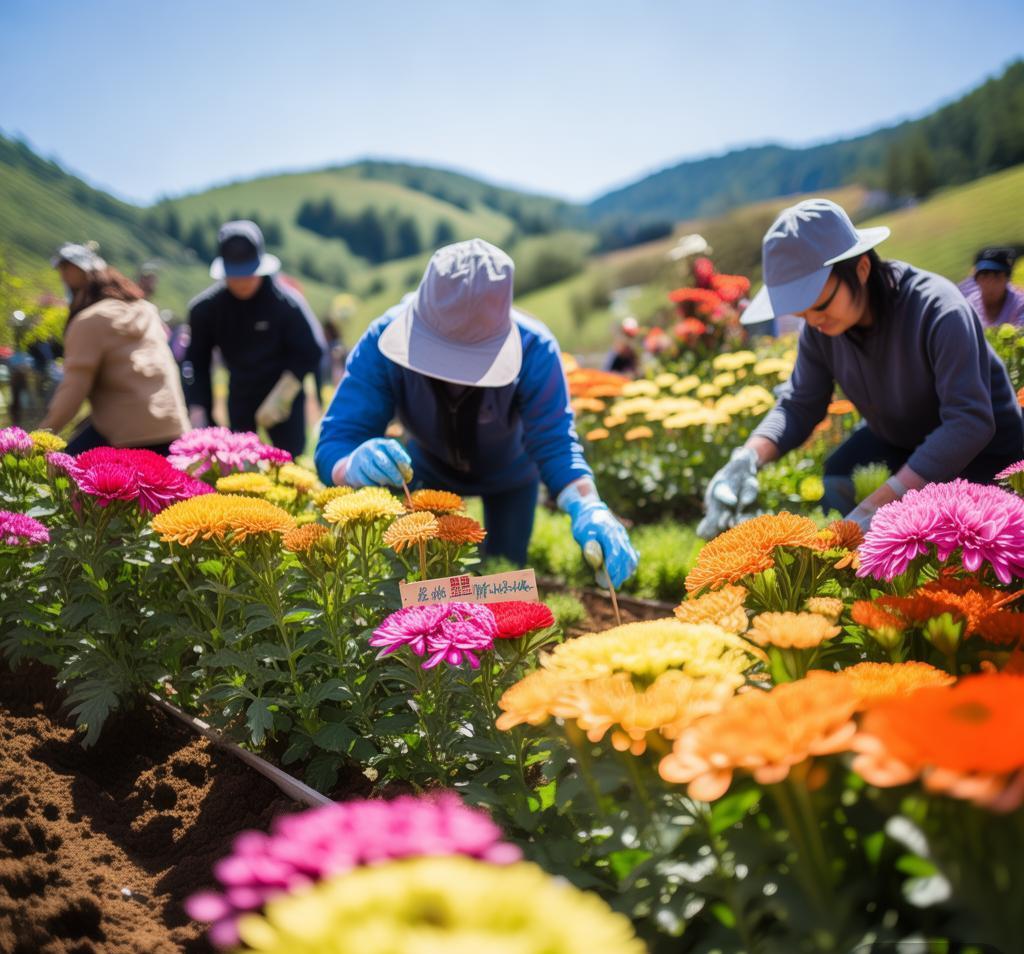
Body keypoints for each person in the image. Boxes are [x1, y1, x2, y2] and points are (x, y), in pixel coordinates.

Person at [315, 238, 638, 583]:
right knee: (426, 585)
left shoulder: (535, 349)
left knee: (503, 579)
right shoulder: (382, 342)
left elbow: (555, 443)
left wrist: (588, 506)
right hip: (423, 471)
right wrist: (351, 465)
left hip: (511, 477)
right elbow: (336, 442)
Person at [703, 199, 1024, 537]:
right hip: (906, 441)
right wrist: (746, 459)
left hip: (988, 455)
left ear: (861, 269)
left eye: (821, 305)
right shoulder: (821, 329)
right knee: (839, 475)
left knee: (955, 544)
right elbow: (800, 403)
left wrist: (881, 504)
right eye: (802, 314)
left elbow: (968, 423)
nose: (813, 322)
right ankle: (859, 572)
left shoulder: (938, 310)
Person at [184, 221, 325, 457]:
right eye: (235, 275)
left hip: (282, 389)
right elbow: (196, 363)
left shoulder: (286, 304)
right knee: (239, 459)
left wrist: (283, 395)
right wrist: (199, 410)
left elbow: (311, 350)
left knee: (288, 458)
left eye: (250, 273)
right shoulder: (206, 310)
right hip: (241, 390)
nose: (243, 281)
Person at [39, 243, 189, 453]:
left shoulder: (89, 320)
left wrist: (42, 436)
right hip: (174, 431)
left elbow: (74, 388)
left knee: (62, 473)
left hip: (128, 437)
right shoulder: (145, 310)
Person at [958, 247, 1024, 327]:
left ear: (1007, 278)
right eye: (984, 274)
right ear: (976, 279)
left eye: (997, 275)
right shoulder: (970, 307)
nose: (990, 282)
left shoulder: (1020, 305)